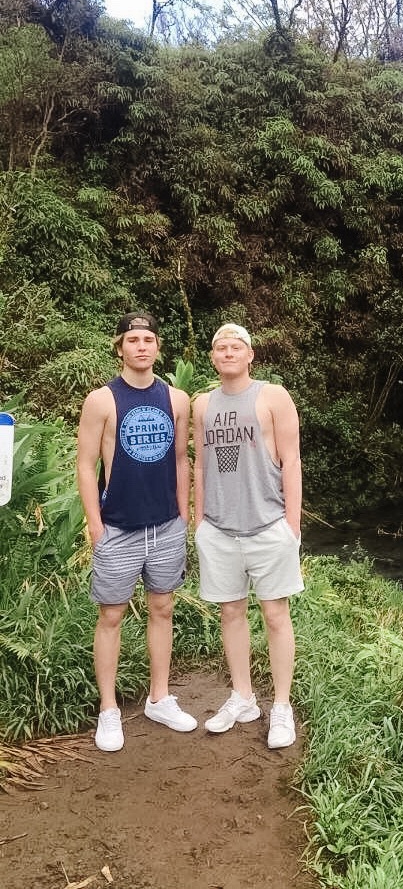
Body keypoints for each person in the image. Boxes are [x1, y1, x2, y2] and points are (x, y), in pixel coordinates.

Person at [77, 311, 197, 752]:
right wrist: (95, 525)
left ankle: (159, 697)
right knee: (110, 615)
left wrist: (182, 515)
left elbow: (182, 460)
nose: (141, 346)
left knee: (162, 609)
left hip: (165, 525)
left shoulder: (177, 400)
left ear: (158, 347)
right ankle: (108, 709)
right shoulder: (102, 400)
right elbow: (86, 466)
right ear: (120, 347)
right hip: (119, 529)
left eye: (149, 339)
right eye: (133, 339)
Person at [193, 323, 303, 749]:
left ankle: (280, 706)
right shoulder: (203, 404)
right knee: (231, 613)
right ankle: (243, 697)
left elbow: (291, 461)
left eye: (236, 346)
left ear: (250, 355)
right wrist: (200, 522)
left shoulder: (273, 396)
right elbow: (202, 465)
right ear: (213, 356)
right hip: (219, 530)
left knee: (276, 615)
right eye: (220, 347)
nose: (228, 352)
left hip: (268, 525)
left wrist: (291, 526)